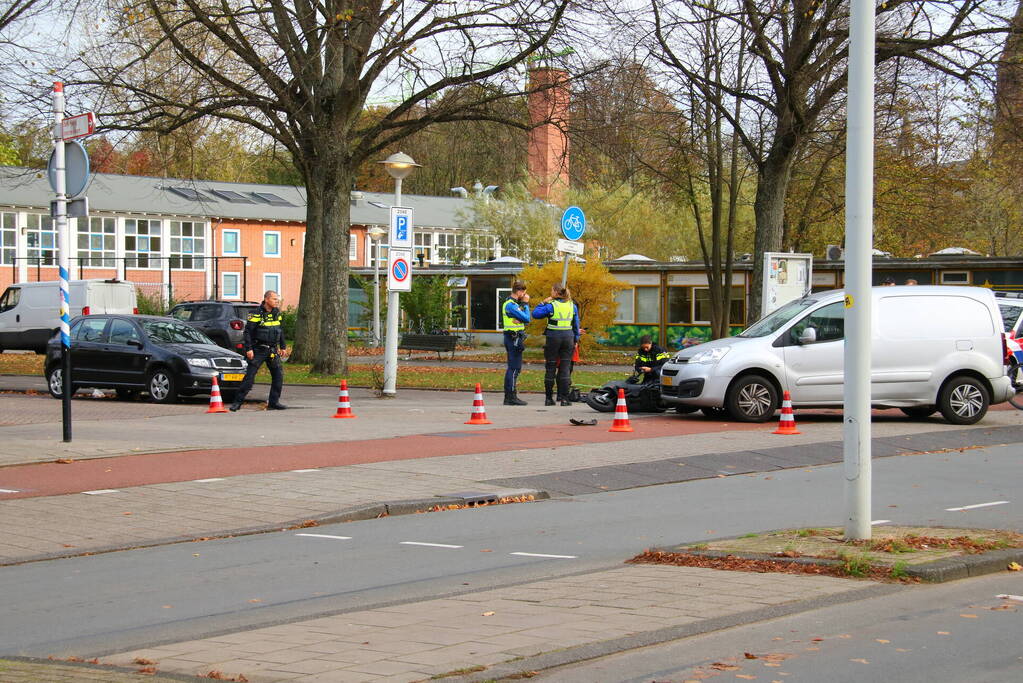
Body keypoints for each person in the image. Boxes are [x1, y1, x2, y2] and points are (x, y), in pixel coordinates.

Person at [230, 290, 289, 411]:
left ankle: (274, 402)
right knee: (250, 377)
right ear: (266, 299)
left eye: (277, 299)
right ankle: (237, 403)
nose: (277, 301)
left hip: (272, 349)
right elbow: (248, 332)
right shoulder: (256, 313)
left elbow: (280, 330)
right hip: (258, 349)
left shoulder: (277, 313)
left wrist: (282, 346)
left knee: (278, 376)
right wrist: (249, 349)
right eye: (274, 299)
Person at [532, 284, 580, 406]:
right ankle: (564, 399)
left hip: (554, 338)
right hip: (568, 338)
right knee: (565, 369)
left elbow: (536, 314)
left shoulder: (551, 306)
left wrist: (543, 302)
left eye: (551, 290)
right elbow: (576, 325)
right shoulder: (572, 306)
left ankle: (549, 399)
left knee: (551, 368)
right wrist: (576, 340)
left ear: (556, 292)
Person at [502, 281, 531, 406]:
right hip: (513, 338)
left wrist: (521, 313)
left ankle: (510, 396)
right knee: (514, 368)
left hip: (514, 338)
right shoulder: (510, 305)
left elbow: (523, 318)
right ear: (519, 292)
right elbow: (527, 318)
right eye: (523, 293)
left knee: (514, 368)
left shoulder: (513, 305)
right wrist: (525, 303)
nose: (524, 295)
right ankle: (510, 397)